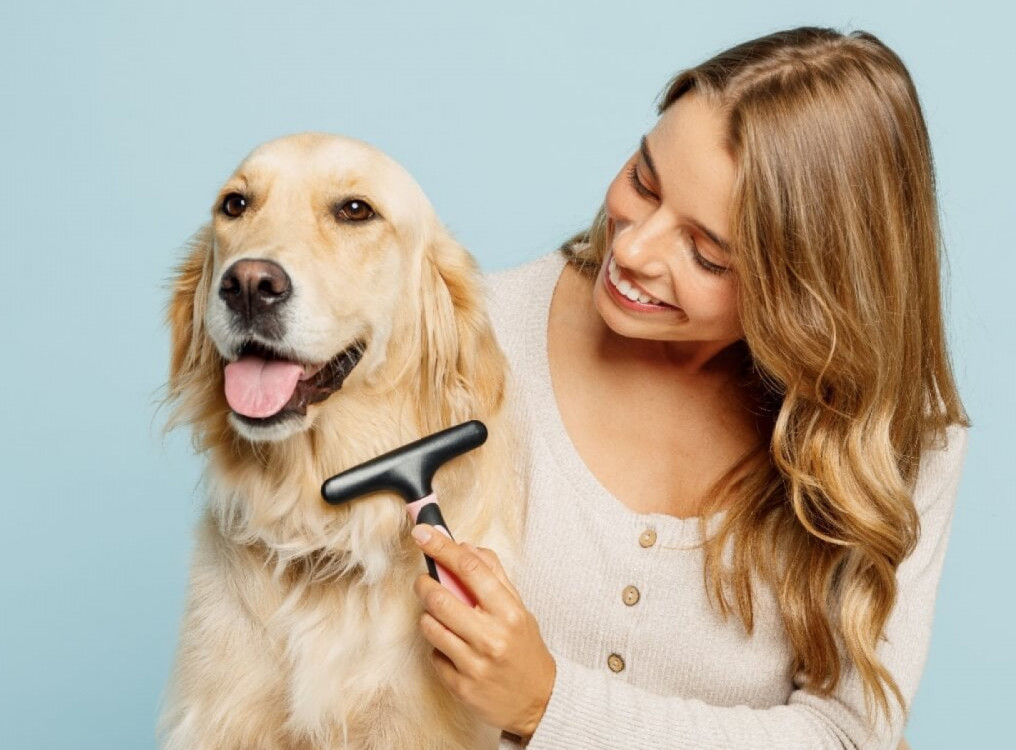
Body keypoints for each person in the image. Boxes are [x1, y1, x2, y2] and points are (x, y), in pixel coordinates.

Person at [408, 26, 968, 749]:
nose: (632, 249)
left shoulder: (896, 443)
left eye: (706, 254)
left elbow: (846, 735)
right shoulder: (465, 342)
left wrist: (548, 705)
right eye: (644, 179)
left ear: (805, 295)